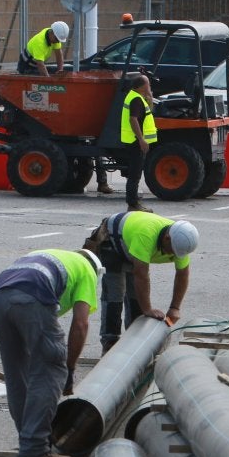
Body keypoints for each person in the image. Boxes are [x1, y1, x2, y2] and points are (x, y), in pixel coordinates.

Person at [0, 248, 103, 457]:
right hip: (31, 296)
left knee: (16, 373)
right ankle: (35, 448)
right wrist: (69, 368)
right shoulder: (88, 271)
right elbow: (80, 324)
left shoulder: (54, 257)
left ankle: (28, 440)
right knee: (51, 368)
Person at [85, 211, 198, 352]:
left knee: (135, 299)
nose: (172, 255)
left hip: (132, 243)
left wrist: (175, 308)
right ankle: (109, 344)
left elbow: (182, 274)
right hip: (113, 241)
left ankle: (133, 344)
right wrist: (148, 309)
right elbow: (141, 274)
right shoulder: (146, 235)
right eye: (172, 251)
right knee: (114, 295)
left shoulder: (180, 243)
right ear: (167, 238)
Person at [118, 72, 157, 210]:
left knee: (134, 173)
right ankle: (133, 204)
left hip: (133, 140)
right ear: (141, 86)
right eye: (148, 84)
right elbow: (133, 119)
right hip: (135, 142)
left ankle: (133, 202)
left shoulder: (136, 96)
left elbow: (148, 112)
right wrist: (141, 139)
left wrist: (150, 97)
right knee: (134, 174)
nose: (149, 86)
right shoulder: (136, 100)